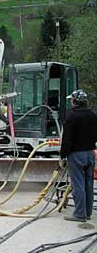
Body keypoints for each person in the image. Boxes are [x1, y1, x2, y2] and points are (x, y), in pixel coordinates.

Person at [60, 89, 97, 222]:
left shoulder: (72, 117)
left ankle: (79, 214)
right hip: (90, 154)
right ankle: (87, 212)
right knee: (88, 184)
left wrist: (63, 156)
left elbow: (67, 139)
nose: (71, 102)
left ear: (75, 101)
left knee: (78, 185)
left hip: (76, 155)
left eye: (71, 100)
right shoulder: (93, 115)